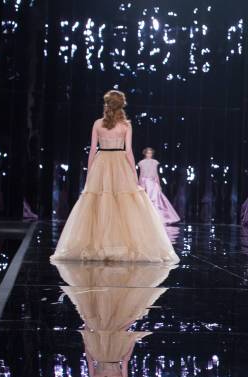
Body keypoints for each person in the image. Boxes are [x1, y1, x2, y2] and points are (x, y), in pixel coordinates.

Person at [50, 90, 179, 263]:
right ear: (121, 105)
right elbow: (129, 152)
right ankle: (119, 244)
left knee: (98, 201)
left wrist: (90, 172)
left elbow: (92, 151)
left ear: (107, 104)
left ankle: (99, 244)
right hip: (119, 163)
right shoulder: (126, 125)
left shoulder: (97, 123)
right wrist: (134, 174)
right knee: (122, 202)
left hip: (101, 162)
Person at [137, 147, 180, 224]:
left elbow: (156, 174)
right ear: (145, 153)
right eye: (148, 153)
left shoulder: (155, 162)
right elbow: (141, 174)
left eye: (150, 153)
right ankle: (146, 218)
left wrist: (159, 184)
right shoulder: (141, 163)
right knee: (146, 200)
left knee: (157, 201)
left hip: (153, 184)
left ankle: (157, 218)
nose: (149, 154)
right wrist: (139, 184)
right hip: (145, 183)